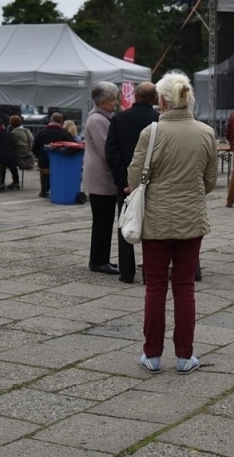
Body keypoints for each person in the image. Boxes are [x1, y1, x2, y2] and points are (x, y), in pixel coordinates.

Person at [127, 73, 217, 373]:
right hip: (191, 219)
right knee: (184, 287)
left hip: (155, 220)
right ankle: (184, 356)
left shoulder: (150, 133)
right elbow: (210, 181)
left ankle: (152, 355)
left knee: (154, 287)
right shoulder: (206, 133)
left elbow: (133, 177)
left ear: (162, 100)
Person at [106, 82, 160, 284]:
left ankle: (126, 272)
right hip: (153, 183)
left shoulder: (119, 119)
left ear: (135, 97)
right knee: (152, 228)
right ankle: (150, 272)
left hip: (126, 182)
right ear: (155, 98)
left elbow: (111, 152)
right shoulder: (159, 120)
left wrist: (124, 180)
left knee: (125, 224)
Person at [83, 82, 121, 274]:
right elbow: (106, 149)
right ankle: (98, 260)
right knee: (102, 221)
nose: (115, 103)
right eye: (112, 100)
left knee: (104, 220)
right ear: (103, 102)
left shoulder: (102, 118)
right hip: (101, 176)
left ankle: (101, 258)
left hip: (101, 176)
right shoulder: (98, 120)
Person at [33, 111, 72, 197]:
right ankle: (57, 188)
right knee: (59, 166)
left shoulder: (41, 133)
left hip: (44, 161)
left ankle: (43, 190)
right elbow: (72, 147)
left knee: (44, 167)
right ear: (61, 122)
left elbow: (34, 148)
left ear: (50, 120)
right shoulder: (65, 134)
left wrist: (39, 156)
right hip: (60, 162)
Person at [7, 112, 34, 189]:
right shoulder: (26, 130)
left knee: (8, 161)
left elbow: (11, 144)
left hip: (20, 155)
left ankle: (15, 181)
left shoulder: (14, 133)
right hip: (29, 153)